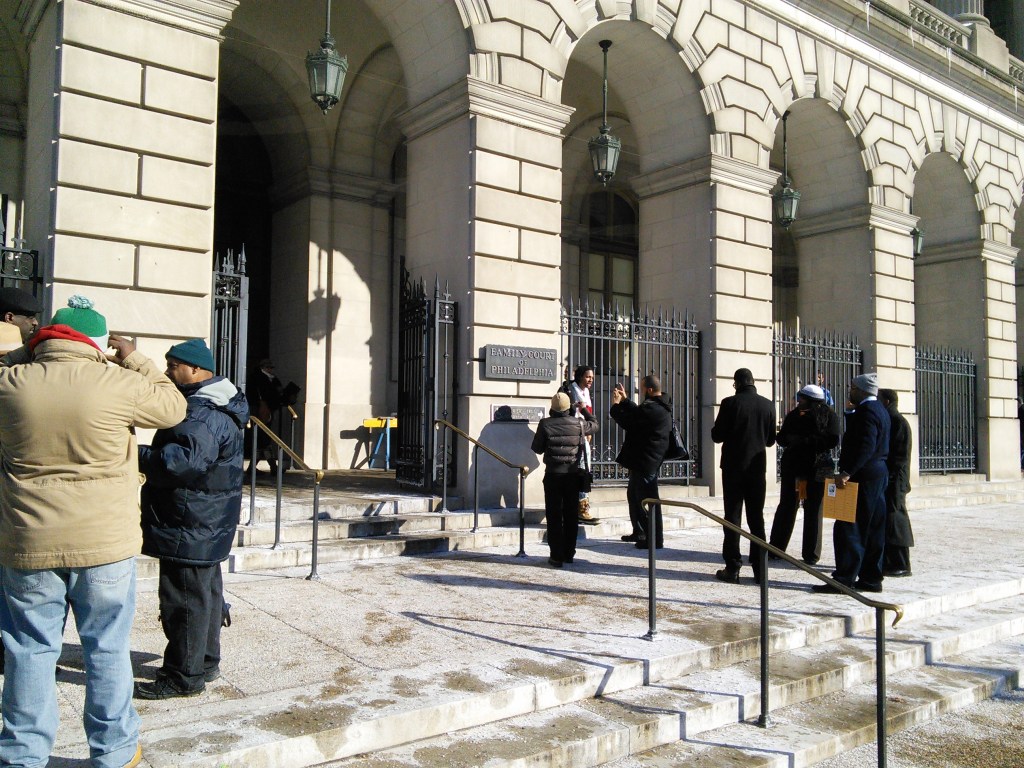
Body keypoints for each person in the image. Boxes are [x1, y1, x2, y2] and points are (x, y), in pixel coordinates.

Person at [0, 295, 186, 768]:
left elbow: (14, 359)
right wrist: (133, 357)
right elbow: (173, 406)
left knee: (28, 651)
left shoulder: (12, 382)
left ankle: (22, 754)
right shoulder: (118, 383)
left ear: (47, 338)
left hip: (29, 540)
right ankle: (116, 752)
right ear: (98, 344)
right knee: (106, 648)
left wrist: (33, 349)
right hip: (105, 544)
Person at [136, 339, 249, 699]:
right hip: (202, 521)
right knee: (205, 596)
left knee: (183, 601)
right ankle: (205, 661)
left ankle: (183, 677)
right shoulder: (214, 405)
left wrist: (134, 453)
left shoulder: (200, 412)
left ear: (196, 370)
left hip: (189, 522)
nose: (168, 372)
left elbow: (179, 464)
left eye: (173, 366)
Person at [813, 372, 890, 593]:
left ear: (860, 390)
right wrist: (849, 413)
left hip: (862, 476)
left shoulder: (867, 412)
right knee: (874, 529)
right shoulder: (879, 410)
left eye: (852, 388)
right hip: (877, 475)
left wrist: (847, 472)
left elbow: (865, 445)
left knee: (850, 528)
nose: (850, 391)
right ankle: (871, 578)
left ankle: (843, 579)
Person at [711, 368, 777, 584]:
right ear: (753, 381)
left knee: (733, 518)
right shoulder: (768, 404)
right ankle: (760, 570)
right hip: (757, 469)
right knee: (756, 519)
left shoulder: (730, 403)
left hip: (733, 467)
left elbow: (717, 435)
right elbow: (769, 440)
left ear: (736, 383)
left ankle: (733, 567)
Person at [768, 384, 840, 565]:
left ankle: (811, 554)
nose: (798, 401)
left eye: (802, 398)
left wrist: (804, 441)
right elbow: (782, 437)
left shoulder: (829, 416)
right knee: (787, 506)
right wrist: (788, 439)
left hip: (816, 470)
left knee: (813, 510)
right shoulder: (794, 415)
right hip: (794, 469)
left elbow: (832, 440)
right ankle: (776, 548)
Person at [531, 391, 598, 567]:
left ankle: (556, 555)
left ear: (552, 408)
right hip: (573, 475)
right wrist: (584, 410)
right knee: (570, 516)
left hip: (553, 474)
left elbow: (537, 448)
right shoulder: (579, 424)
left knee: (554, 516)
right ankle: (569, 553)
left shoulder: (545, 424)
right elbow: (595, 425)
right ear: (569, 407)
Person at [609, 375, 672, 550]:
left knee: (648, 500)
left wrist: (615, 405)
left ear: (649, 390)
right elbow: (638, 413)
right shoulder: (658, 405)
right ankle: (640, 531)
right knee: (634, 496)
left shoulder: (652, 408)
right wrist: (626, 400)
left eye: (643, 389)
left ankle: (654, 539)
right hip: (643, 460)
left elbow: (629, 421)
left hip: (646, 461)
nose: (642, 391)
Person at [879, 388, 913, 577]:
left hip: (895, 479)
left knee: (896, 519)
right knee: (889, 520)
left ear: (886, 402)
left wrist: (891, 476)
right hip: (891, 477)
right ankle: (890, 561)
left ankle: (901, 563)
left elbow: (899, 457)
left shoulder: (898, 422)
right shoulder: (891, 420)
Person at [568, 365, 600, 526]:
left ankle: (582, 505)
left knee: (584, 469)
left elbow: (586, 413)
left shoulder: (585, 392)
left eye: (592, 378)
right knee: (581, 470)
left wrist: (588, 432)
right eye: (588, 377)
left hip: (584, 434)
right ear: (580, 376)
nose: (590, 380)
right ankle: (581, 507)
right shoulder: (571, 390)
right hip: (575, 435)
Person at [246, 358, 285, 472]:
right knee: (263, 439)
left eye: (271, 367)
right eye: (269, 367)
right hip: (259, 411)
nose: (271, 369)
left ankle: (254, 467)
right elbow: (260, 394)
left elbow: (278, 391)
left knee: (264, 439)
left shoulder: (273, 379)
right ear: (263, 368)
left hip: (268, 410)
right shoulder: (258, 378)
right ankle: (271, 466)